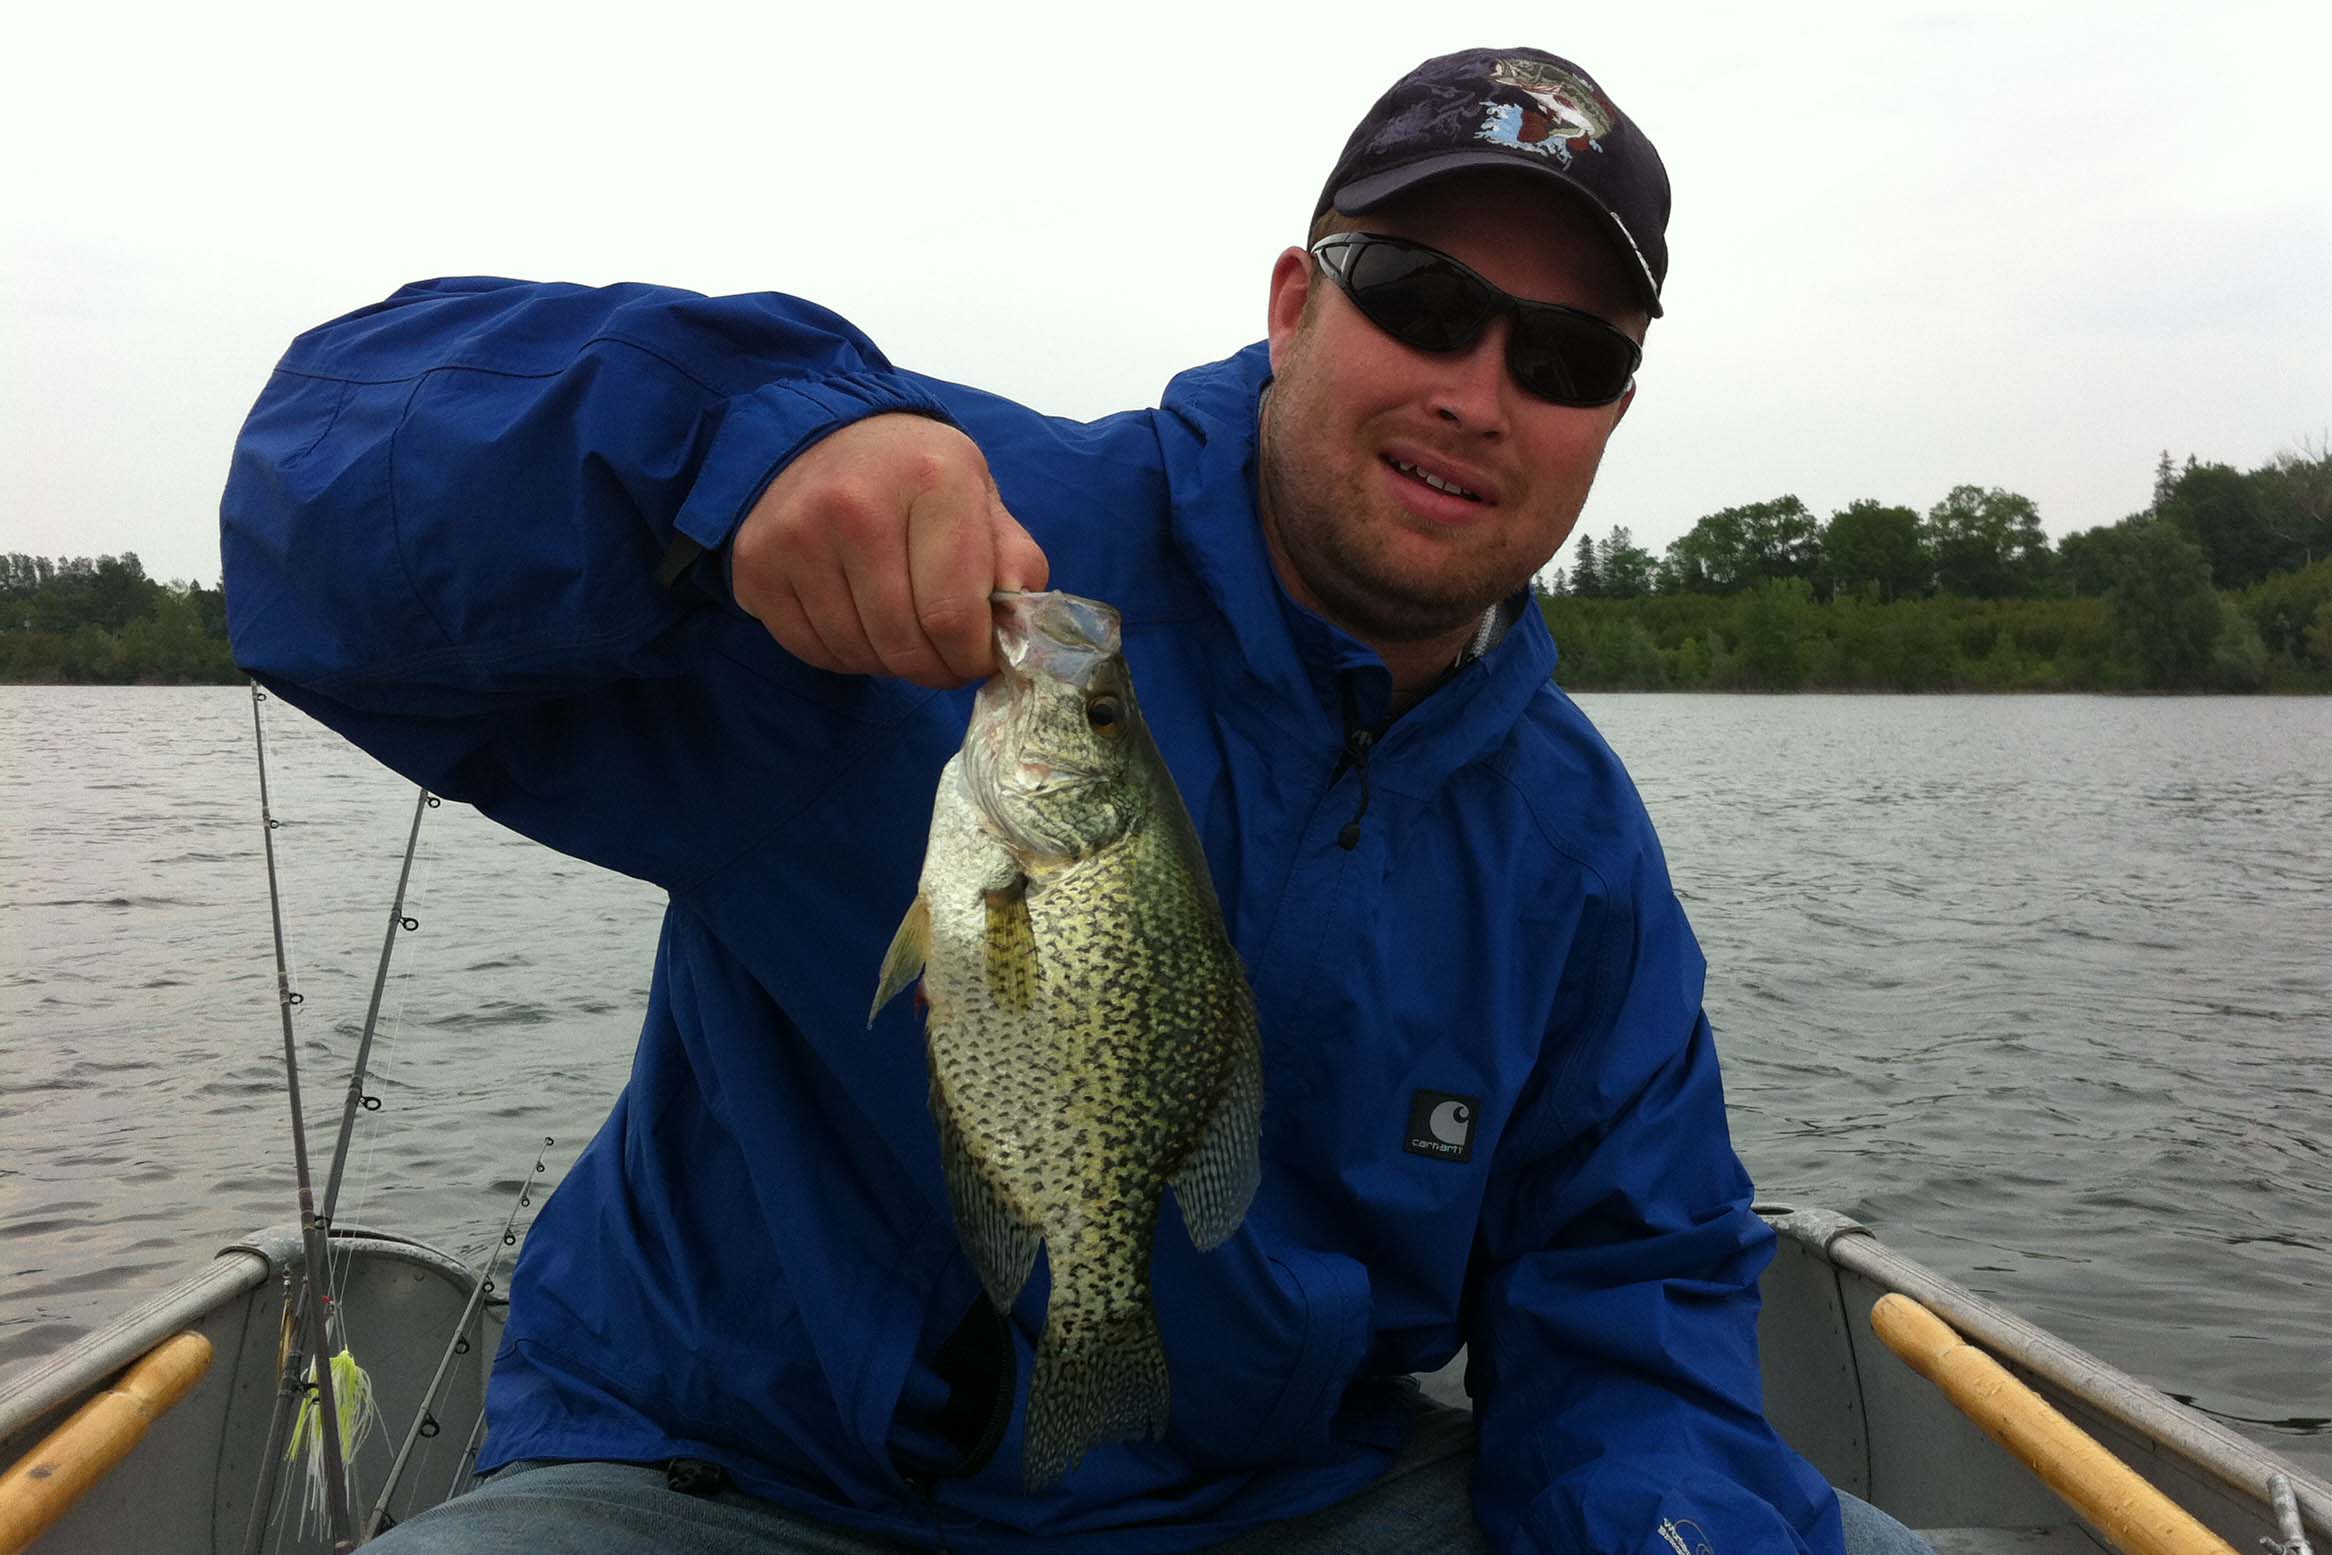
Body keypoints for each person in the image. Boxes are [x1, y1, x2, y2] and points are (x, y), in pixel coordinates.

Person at [223, 45, 1925, 1555]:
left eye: (1562, 354)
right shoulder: (959, 541)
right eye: (1416, 293)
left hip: (1290, 1505)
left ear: (1612, 412)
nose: (1476, 389)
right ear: (1293, 303)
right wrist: (720, 461)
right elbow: (309, 494)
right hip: (728, 1479)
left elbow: (1625, 1294)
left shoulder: (1574, 855)